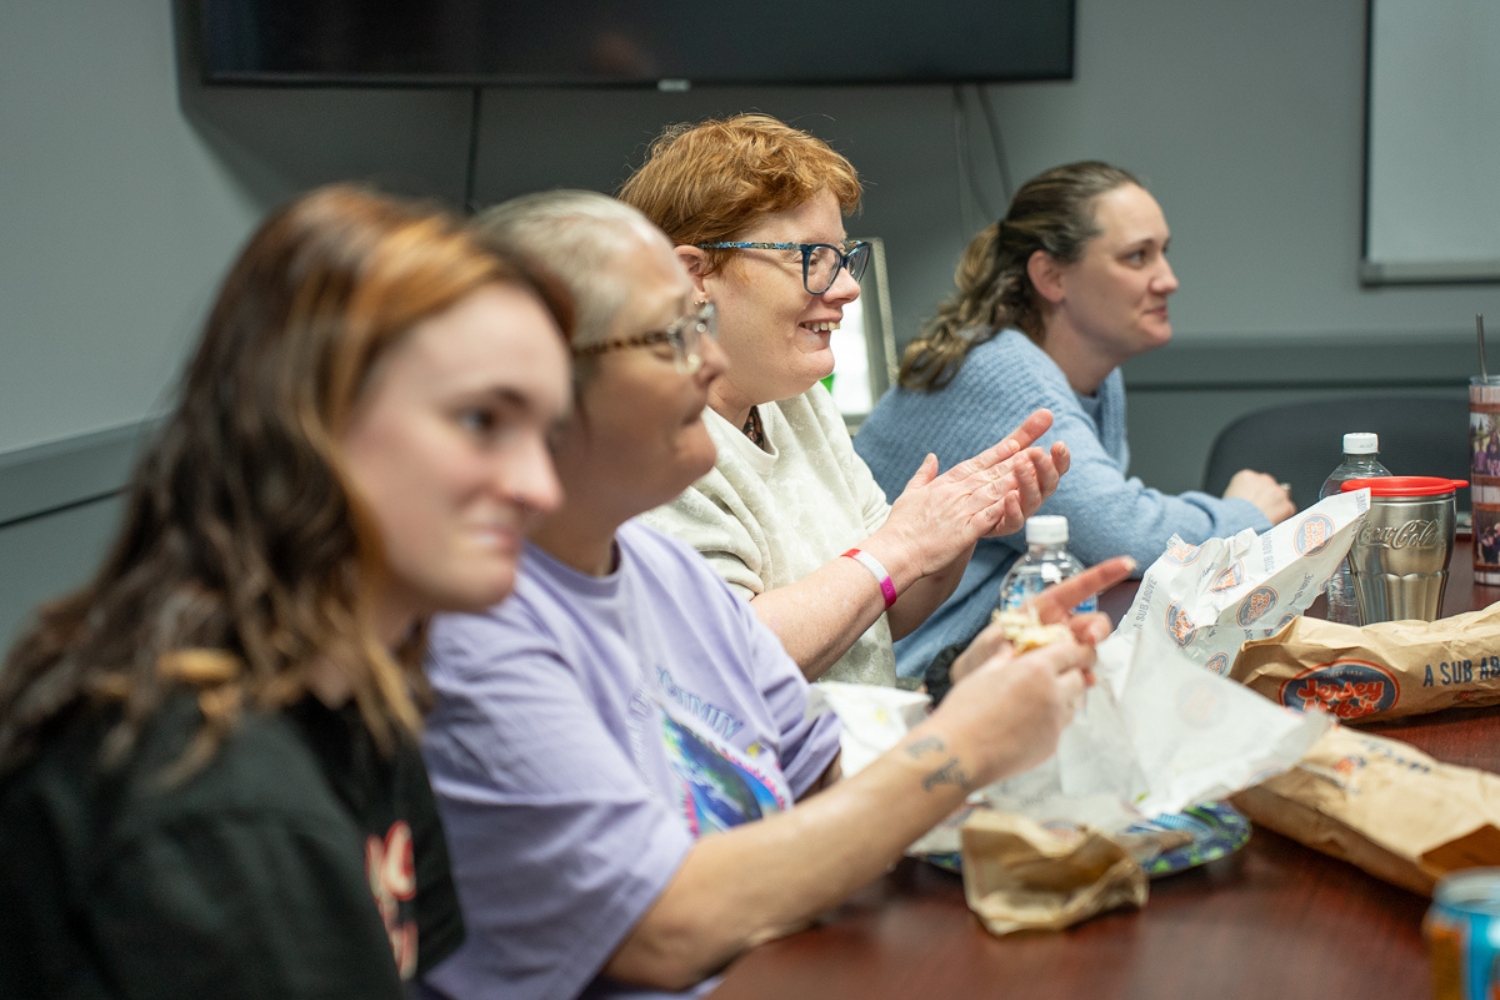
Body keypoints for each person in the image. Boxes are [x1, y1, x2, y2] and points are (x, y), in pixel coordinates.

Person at [418, 190, 1133, 1000]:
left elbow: (820, 777)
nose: (714, 362)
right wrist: (960, 746)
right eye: (673, 337)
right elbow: (660, 929)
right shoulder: (470, 627)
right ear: (536, 381)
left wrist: (972, 698)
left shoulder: (663, 570)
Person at [0, 186, 572, 999]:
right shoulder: (221, 806)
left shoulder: (363, 702)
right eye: (483, 421)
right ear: (312, 418)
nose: (539, 486)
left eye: (546, 436)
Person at [617, 114, 1068, 687]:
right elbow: (727, 659)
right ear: (694, 276)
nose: (847, 287)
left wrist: (955, 530)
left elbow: (884, 608)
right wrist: (903, 546)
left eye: (840, 257)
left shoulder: (797, 402)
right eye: (810, 257)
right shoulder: (642, 440)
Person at [855, 161, 1295, 679]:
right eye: (1137, 257)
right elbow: (1123, 535)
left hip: (981, 663)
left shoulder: (1092, 374)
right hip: (902, 683)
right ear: (1051, 276)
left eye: (1163, 253)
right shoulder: (997, 369)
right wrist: (1244, 513)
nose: (1168, 280)